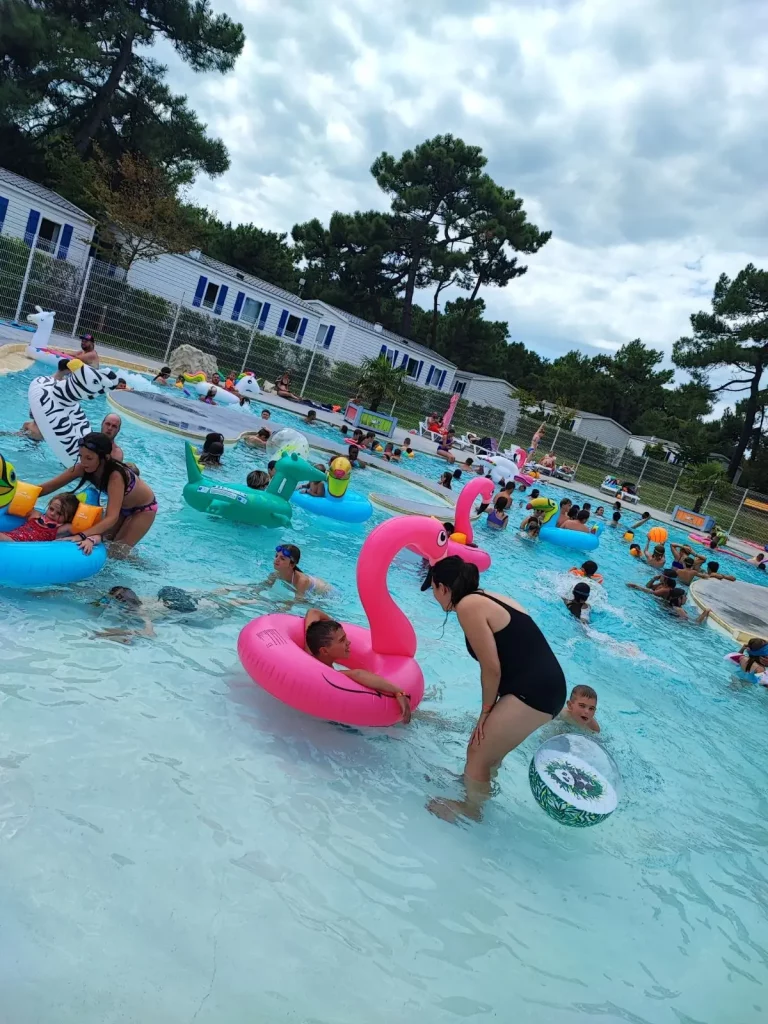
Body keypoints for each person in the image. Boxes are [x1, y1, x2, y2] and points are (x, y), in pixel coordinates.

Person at [422, 556, 566, 822]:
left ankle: (470, 811)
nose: (434, 596)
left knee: (477, 751)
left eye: (433, 589)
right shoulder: (487, 597)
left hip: (534, 691)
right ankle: (476, 788)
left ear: (442, 587)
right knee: (488, 753)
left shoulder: (467, 605)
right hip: (545, 686)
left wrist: (485, 712)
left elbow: (491, 668)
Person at [34, 432, 157, 551]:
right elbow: (48, 487)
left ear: (106, 458)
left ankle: (144, 566)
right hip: (121, 507)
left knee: (118, 550)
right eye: (81, 456)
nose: (83, 462)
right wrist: (20, 494)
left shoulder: (115, 477)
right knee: (106, 543)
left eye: (89, 458)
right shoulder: (82, 468)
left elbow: (111, 518)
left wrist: (81, 535)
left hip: (143, 509)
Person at [302, 609, 412, 721]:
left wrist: (331, 629)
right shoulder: (329, 676)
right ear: (324, 651)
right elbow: (358, 674)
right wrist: (399, 692)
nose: (348, 642)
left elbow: (313, 612)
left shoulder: (309, 651)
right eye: (342, 640)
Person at [255, 544, 331, 600]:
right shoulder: (275, 575)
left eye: (282, 559)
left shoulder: (302, 581)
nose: (276, 560)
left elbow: (297, 600)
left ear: (292, 564)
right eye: (276, 556)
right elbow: (262, 586)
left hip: (326, 593)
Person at [0, 492, 80, 543]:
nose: (52, 513)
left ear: (70, 517)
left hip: (18, 545)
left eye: (59, 513)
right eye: (51, 509)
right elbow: (10, 508)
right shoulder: (36, 515)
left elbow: (84, 530)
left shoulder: (61, 529)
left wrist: (89, 540)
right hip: (9, 536)